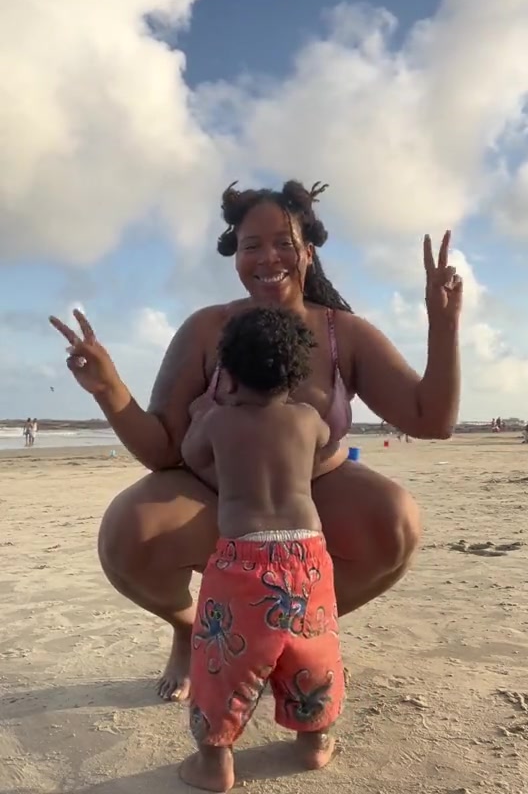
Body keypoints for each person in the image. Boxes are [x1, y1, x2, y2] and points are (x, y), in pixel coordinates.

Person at [49, 179, 462, 704]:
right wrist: (109, 389)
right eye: (252, 245)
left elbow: (431, 419)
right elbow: (161, 451)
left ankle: (300, 633)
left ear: (308, 253)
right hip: (217, 502)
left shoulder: (343, 333)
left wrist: (443, 325)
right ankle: (195, 628)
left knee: (397, 521)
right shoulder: (207, 329)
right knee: (128, 531)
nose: (268, 257)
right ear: (236, 256)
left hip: (312, 500)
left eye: (284, 242)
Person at [179, 305, 344, 790]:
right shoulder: (308, 419)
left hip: (243, 556)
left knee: (221, 658)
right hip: (307, 553)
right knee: (312, 647)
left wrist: (201, 412)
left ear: (227, 376)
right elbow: (328, 444)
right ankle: (313, 742)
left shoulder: (217, 422)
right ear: (295, 374)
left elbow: (190, 454)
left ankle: (214, 761)